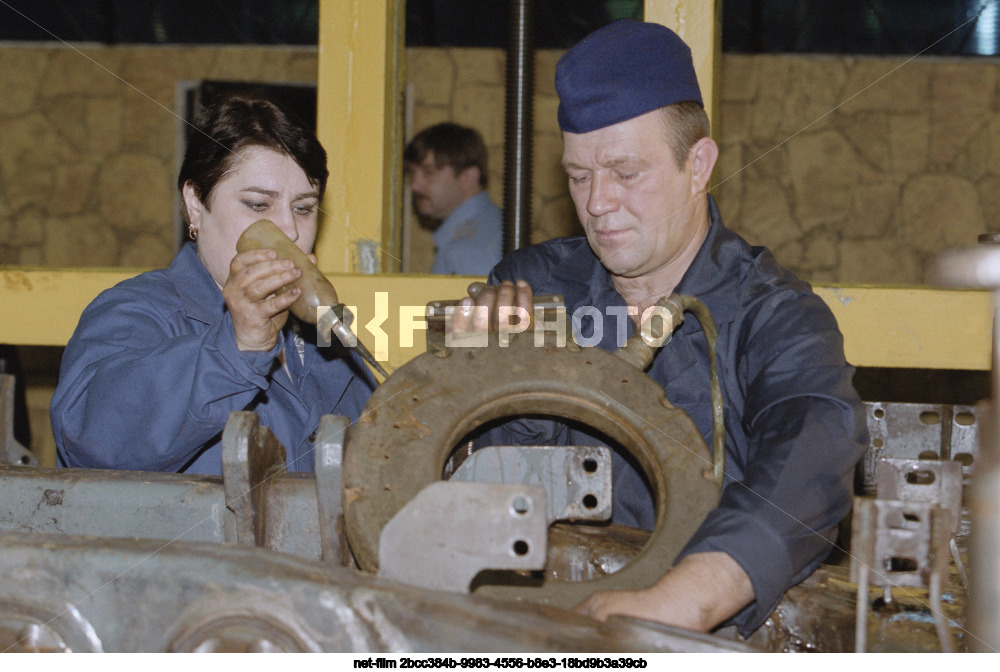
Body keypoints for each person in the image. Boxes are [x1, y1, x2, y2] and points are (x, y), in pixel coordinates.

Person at [456, 20, 868, 637]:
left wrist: (686, 601)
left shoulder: (776, 315)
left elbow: (812, 450)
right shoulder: (531, 288)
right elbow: (473, 498)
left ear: (698, 165)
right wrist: (489, 382)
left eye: (625, 173)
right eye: (578, 175)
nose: (596, 202)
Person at [51, 94, 374, 474]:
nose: (290, 229)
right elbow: (92, 441)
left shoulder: (325, 338)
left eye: (303, 208)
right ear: (194, 203)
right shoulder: (135, 312)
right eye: (258, 204)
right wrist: (236, 348)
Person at [404, 122, 503, 275]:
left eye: (428, 172)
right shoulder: (494, 229)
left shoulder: (469, 250)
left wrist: (380, 299)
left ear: (468, 178)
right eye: (412, 173)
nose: (415, 185)